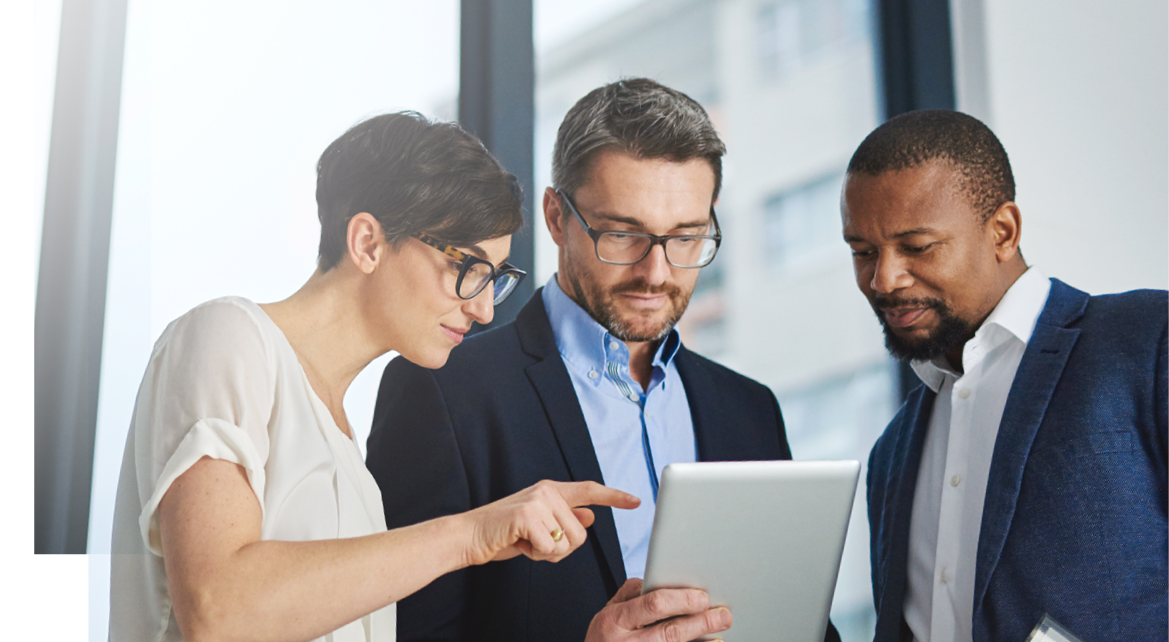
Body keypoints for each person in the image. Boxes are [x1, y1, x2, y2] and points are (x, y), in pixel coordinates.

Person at [108, 112, 639, 642]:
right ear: (367, 243)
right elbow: (218, 610)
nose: (483, 310)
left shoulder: (349, 460)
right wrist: (470, 535)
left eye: (494, 279)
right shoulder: (228, 335)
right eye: (468, 268)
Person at [368, 79, 840, 642]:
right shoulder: (446, 394)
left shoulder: (750, 410)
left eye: (687, 238)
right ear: (555, 217)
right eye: (622, 235)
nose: (657, 273)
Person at [840, 109, 1169, 642]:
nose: (884, 279)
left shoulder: (1146, 345)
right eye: (862, 252)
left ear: (1003, 231)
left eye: (917, 247)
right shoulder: (891, 453)